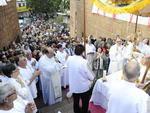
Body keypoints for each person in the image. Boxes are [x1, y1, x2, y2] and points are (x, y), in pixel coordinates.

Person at [66, 44, 94, 113]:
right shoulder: (84, 62)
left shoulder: (69, 59)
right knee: (85, 103)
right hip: (83, 87)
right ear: (82, 52)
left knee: (76, 102)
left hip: (73, 86)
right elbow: (91, 76)